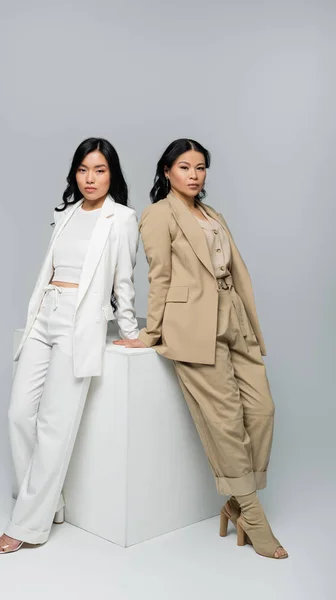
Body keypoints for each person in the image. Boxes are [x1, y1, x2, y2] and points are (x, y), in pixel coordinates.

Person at [114, 138, 288, 559]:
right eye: (185, 167)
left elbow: (233, 271)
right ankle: (250, 511)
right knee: (225, 420)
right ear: (167, 172)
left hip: (234, 318)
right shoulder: (159, 215)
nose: (194, 175)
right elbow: (160, 277)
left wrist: (244, 316)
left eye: (201, 167)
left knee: (262, 410)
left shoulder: (213, 215)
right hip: (193, 326)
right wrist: (151, 333)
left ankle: (235, 496)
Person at [0, 138, 139, 554]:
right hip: (45, 313)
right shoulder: (65, 214)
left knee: (55, 425)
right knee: (19, 413)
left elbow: (123, 281)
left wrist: (128, 327)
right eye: (84, 169)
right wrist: (37, 314)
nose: (91, 178)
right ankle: (45, 501)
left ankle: (26, 526)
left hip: (80, 321)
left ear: (113, 174)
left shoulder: (122, 219)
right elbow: (50, 268)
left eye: (100, 170)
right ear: (74, 173)